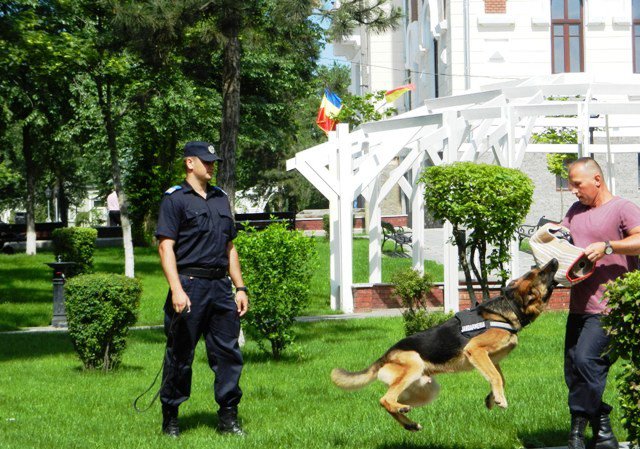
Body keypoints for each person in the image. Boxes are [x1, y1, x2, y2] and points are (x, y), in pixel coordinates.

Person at [155, 141, 249, 438]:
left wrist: (240, 287)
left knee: (228, 355)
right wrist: (176, 290)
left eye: (213, 161)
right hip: (189, 286)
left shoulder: (220, 198)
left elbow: (229, 247)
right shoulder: (175, 199)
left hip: (221, 288)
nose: (212, 166)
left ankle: (228, 419)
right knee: (180, 356)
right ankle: (171, 418)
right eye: (206, 161)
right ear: (189, 163)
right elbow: (165, 247)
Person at [561, 157, 640, 449]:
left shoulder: (622, 208)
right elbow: (563, 234)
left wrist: (609, 246)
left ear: (597, 179)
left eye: (577, 184)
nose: (573, 191)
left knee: (586, 361)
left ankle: (577, 434)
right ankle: (604, 430)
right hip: (578, 305)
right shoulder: (576, 211)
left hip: (610, 307)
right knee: (573, 370)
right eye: (570, 185)